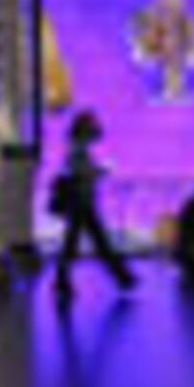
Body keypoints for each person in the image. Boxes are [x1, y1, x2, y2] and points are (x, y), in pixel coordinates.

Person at [47, 110, 136, 295]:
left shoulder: (76, 146)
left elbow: (78, 168)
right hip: (82, 201)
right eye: (90, 126)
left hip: (81, 201)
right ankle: (122, 277)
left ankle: (64, 280)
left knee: (76, 243)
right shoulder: (77, 148)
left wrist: (96, 170)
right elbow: (81, 171)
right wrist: (101, 170)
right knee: (96, 241)